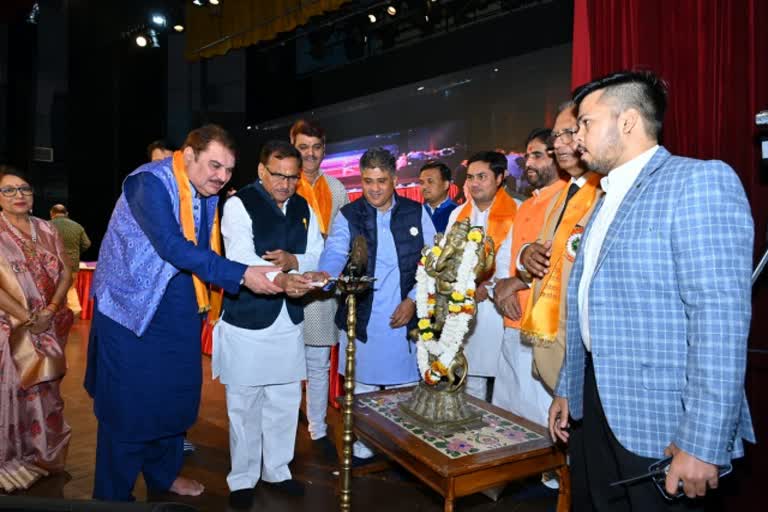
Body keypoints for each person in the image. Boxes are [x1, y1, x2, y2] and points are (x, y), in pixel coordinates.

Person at [549, 70, 755, 511]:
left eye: (584, 123)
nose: (574, 137)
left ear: (627, 122)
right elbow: (586, 303)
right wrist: (568, 389)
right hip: (597, 411)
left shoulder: (697, 182)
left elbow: (719, 319)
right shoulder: (603, 199)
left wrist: (703, 442)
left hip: (663, 427)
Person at [85, 124, 282, 501]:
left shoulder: (205, 190)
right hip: (131, 309)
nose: (222, 178)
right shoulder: (148, 184)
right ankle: (112, 494)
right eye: (214, 166)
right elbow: (173, 246)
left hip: (179, 304)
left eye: (228, 170)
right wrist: (240, 274)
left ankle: (163, 474)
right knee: (129, 406)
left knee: (175, 397)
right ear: (188, 156)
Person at [214, 140, 322, 507]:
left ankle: (278, 469)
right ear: (262, 171)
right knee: (244, 403)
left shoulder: (304, 207)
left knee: (285, 399)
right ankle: (242, 479)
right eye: (279, 176)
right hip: (248, 320)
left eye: (293, 177)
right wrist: (281, 278)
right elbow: (240, 256)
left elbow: (318, 252)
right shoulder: (238, 204)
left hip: (288, 320)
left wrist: (296, 259)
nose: (286, 184)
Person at [313, 147, 436, 462]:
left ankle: (403, 447)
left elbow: (433, 263)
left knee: (406, 391)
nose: (375, 188)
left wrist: (412, 301)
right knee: (364, 390)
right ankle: (366, 442)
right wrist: (323, 276)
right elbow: (335, 253)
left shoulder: (416, 212)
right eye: (368, 181)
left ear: (394, 179)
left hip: (404, 319)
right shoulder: (349, 216)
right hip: (363, 318)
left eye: (382, 181)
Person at [517, 102, 603, 392]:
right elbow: (546, 252)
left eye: (570, 132)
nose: (562, 143)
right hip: (555, 344)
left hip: (588, 346)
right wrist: (526, 255)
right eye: (557, 135)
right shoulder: (565, 194)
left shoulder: (605, 189)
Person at [0, 166, 73, 492]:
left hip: (48, 327)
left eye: (24, 189)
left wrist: (51, 311)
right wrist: (27, 318)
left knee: (47, 394)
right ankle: (11, 460)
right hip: (9, 329)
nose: (19, 195)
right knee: (13, 394)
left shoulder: (47, 229)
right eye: (9, 190)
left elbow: (66, 273)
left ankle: (43, 457)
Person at [492, 128, 567, 427]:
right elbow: (505, 257)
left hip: (544, 327)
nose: (529, 164)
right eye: (527, 157)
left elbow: (557, 259)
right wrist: (503, 289)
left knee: (542, 420)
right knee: (509, 415)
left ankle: (550, 477)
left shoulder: (567, 200)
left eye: (537, 155)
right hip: (513, 321)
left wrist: (514, 284)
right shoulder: (527, 205)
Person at [289, 120, 349, 455]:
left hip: (322, 291)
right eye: (303, 147)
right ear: (293, 146)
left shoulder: (337, 188)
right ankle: (282, 430)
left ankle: (317, 429)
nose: (310, 154)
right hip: (287, 287)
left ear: (324, 149)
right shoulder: (284, 184)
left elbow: (341, 240)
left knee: (318, 363)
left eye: (316, 147)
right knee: (284, 362)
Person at [444, 151, 517, 401]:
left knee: (505, 382)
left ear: (500, 177)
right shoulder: (458, 215)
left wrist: (492, 283)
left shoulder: (518, 210)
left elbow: (513, 257)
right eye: (471, 177)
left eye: (482, 176)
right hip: (466, 307)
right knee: (471, 375)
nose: (474, 183)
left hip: (502, 307)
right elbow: (447, 258)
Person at [49, 204, 91, 315]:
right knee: (70, 288)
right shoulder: (77, 226)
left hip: (52, 264)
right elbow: (87, 244)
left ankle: (54, 315)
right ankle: (74, 310)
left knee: (52, 291)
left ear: (52, 213)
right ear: (66, 214)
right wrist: (76, 252)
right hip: (72, 264)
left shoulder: (46, 226)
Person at [419, 160, 458, 233]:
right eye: (421, 182)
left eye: (430, 181)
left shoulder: (458, 213)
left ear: (446, 185)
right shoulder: (416, 213)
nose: (424, 187)